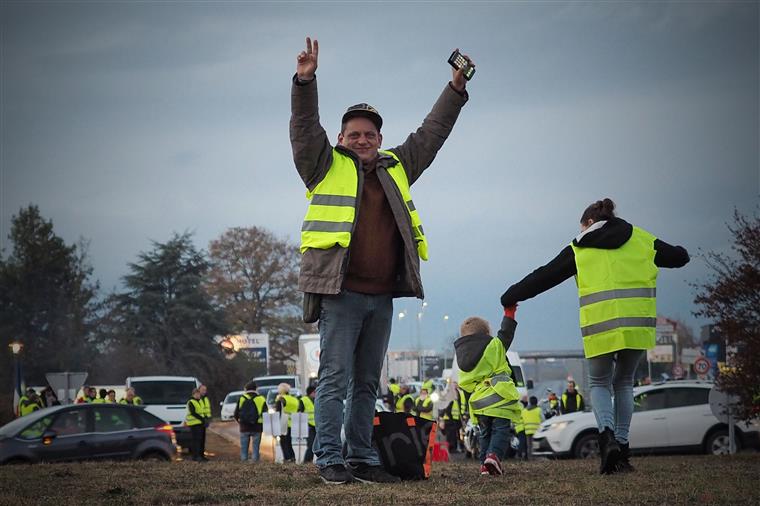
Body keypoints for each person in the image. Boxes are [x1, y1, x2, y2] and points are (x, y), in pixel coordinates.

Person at [290, 36, 473, 485]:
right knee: (334, 379)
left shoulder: (397, 165)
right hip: (341, 295)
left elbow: (432, 134)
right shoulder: (322, 164)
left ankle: (360, 458)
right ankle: (328, 457)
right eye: (354, 134)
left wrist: (455, 87)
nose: (362, 140)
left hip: (381, 297)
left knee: (367, 384)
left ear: (380, 139)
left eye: (370, 134)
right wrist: (305, 81)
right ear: (340, 138)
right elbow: (303, 126)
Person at [501, 198, 689, 474]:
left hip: (600, 327)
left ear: (588, 223)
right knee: (624, 383)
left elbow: (544, 276)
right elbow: (678, 257)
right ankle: (622, 451)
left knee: (599, 383)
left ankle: (607, 438)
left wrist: (511, 295)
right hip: (636, 324)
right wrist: (684, 251)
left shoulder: (580, 247)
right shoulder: (641, 239)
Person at [454, 311, 522, 476]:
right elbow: (506, 333)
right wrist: (510, 313)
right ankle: (494, 457)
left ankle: (485, 465)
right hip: (499, 398)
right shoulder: (493, 346)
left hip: (479, 402)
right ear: (485, 334)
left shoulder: (461, 356)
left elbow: (465, 385)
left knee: (485, 433)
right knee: (501, 430)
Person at [234, 382, 266, 463]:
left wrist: (240, 422)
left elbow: (236, 413)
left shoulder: (241, 398)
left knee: (244, 448)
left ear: (246, 389)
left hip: (244, 427)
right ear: (256, 389)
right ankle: (255, 463)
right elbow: (265, 413)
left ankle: (244, 462)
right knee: (255, 447)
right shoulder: (261, 399)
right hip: (257, 427)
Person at [275, 383, 299, 463]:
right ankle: (292, 458)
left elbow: (278, 413)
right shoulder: (294, 399)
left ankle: (287, 458)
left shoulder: (281, 399)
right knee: (289, 442)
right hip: (293, 422)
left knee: (283, 442)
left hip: (283, 423)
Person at [441, 381, 467, 453]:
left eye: (455, 383)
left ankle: (459, 447)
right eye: (453, 383)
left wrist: (463, 415)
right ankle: (452, 448)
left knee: (458, 434)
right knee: (451, 434)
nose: (455, 385)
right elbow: (446, 407)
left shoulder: (460, 393)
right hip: (450, 418)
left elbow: (462, 404)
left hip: (458, 418)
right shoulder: (448, 393)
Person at [185, 388, 206, 462]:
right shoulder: (191, 402)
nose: (198, 395)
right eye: (197, 394)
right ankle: (196, 456)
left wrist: (205, 419)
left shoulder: (200, 401)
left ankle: (201, 456)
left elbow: (202, 411)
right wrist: (201, 418)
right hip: (194, 424)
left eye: (199, 394)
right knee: (196, 441)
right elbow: (193, 413)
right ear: (193, 394)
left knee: (201, 440)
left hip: (201, 423)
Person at [299, 385, 317, 463]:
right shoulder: (303, 400)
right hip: (308, 426)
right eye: (315, 392)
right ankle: (306, 462)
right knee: (310, 445)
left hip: (316, 426)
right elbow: (300, 413)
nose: (316, 393)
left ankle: (309, 462)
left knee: (315, 446)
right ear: (311, 392)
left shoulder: (316, 400)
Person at [522, 396, 542, 460]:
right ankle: (535, 458)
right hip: (537, 431)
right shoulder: (539, 410)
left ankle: (529, 458)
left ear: (530, 402)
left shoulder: (524, 410)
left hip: (527, 431)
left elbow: (521, 420)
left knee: (529, 446)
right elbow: (543, 420)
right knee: (535, 445)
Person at [198, 384, 211, 459]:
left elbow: (207, 410)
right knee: (199, 440)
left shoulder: (205, 398)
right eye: (203, 390)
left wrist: (208, 419)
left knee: (203, 439)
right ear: (199, 390)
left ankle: (202, 455)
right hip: (199, 421)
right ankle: (199, 455)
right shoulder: (198, 398)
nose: (204, 391)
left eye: (205, 390)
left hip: (204, 421)